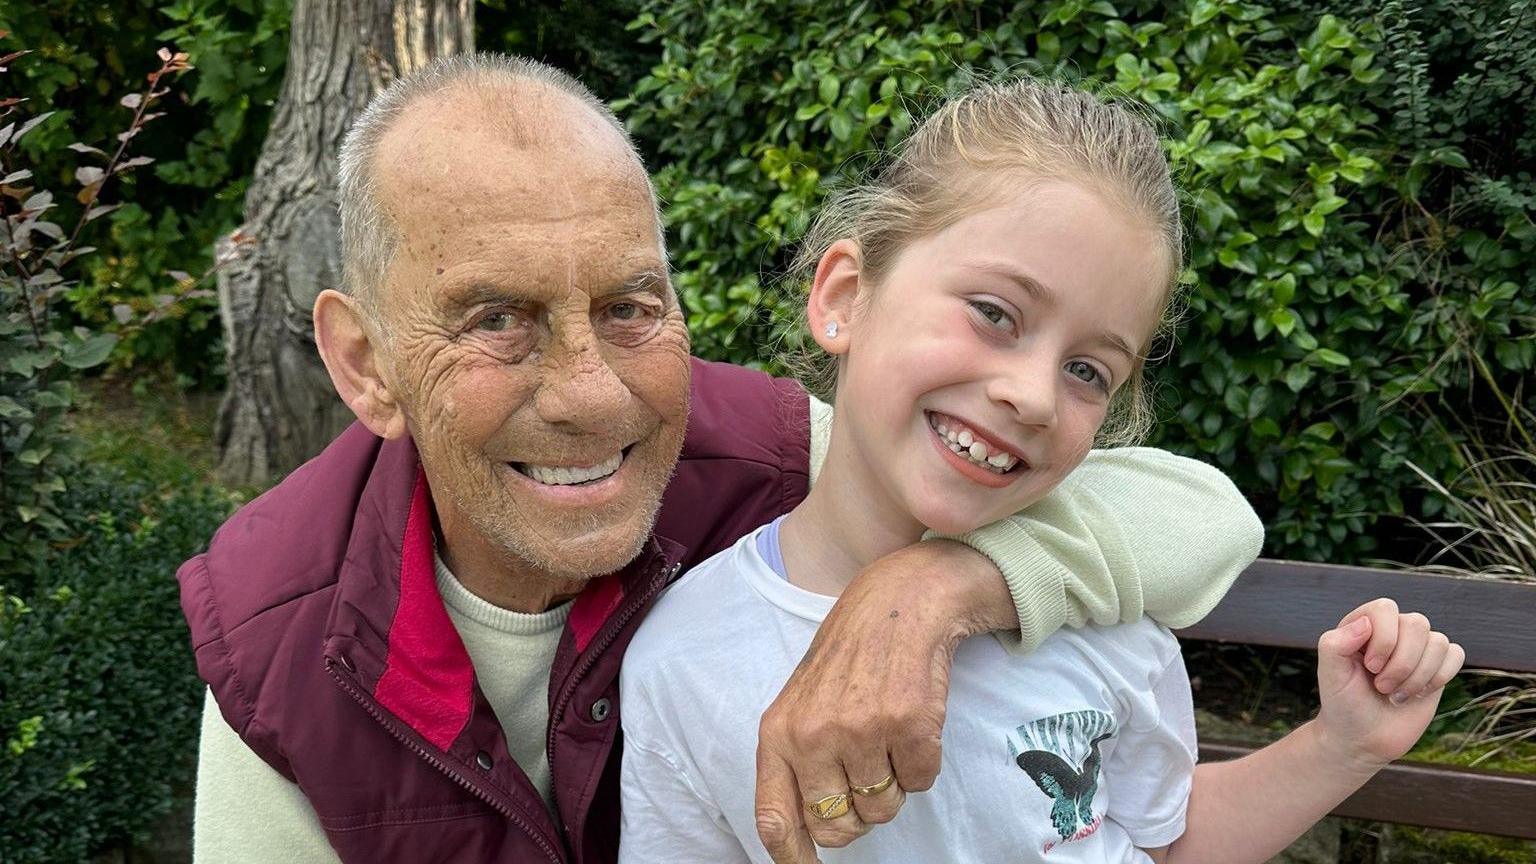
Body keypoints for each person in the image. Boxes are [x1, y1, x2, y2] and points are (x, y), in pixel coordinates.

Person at [181, 56, 1265, 864]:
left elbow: (1199, 515)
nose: (592, 393)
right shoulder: (279, 644)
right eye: (498, 319)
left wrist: (940, 586)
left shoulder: (775, 457)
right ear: (366, 364)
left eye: (630, 307)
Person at [617, 78, 1466, 863]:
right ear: (843, 297)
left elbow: (1166, 841)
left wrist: (1341, 744)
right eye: (995, 313)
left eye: (1089, 371)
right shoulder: (684, 659)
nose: (1033, 396)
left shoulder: (1103, 614)